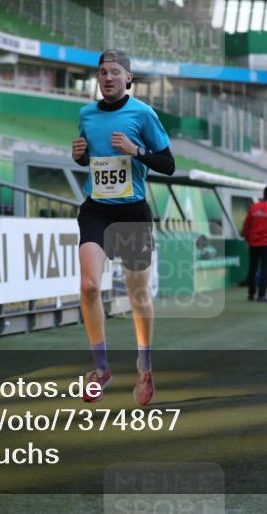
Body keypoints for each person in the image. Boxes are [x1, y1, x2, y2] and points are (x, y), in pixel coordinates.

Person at [72, 49, 175, 406]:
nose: (108, 78)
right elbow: (90, 155)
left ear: (128, 79)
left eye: (115, 72)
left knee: (137, 296)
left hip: (131, 212)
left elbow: (168, 163)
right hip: (96, 209)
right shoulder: (86, 114)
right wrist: (80, 156)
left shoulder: (143, 114)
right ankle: (100, 369)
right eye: (103, 72)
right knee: (88, 286)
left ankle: (144, 365)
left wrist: (135, 150)